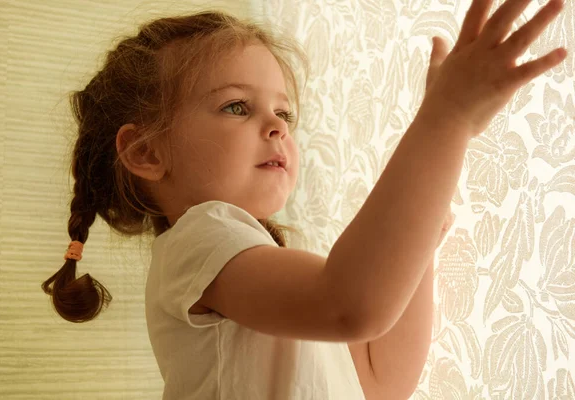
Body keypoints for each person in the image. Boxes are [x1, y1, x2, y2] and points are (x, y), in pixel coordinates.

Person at [42, 0, 567, 398]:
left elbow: (381, 382)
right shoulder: (199, 238)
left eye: (285, 113)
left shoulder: (257, 265)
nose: (276, 126)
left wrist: (423, 233)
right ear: (147, 151)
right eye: (236, 107)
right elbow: (352, 304)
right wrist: (447, 118)